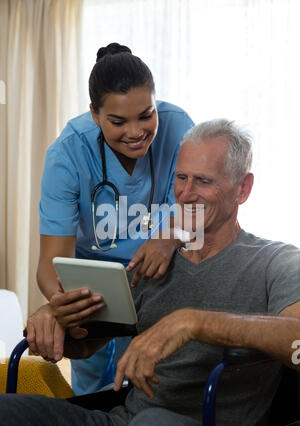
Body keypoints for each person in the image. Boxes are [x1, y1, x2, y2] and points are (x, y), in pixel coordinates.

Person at [1, 118, 300, 426]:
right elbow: (85, 346)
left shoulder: (277, 261)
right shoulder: (154, 262)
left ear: (243, 188)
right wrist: (56, 320)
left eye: (202, 180)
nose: (186, 194)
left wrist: (194, 323)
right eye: (181, 178)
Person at [34, 42, 194, 395]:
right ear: (94, 114)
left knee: (143, 382)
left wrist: (170, 235)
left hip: (157, 277)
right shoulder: (68, 152)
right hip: (93, 285)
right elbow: (50, 262)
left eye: (146, 115)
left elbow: (199, 205)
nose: (136, 132)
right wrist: (60, 300)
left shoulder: (180, 127)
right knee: (91, 390)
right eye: (118, 122)